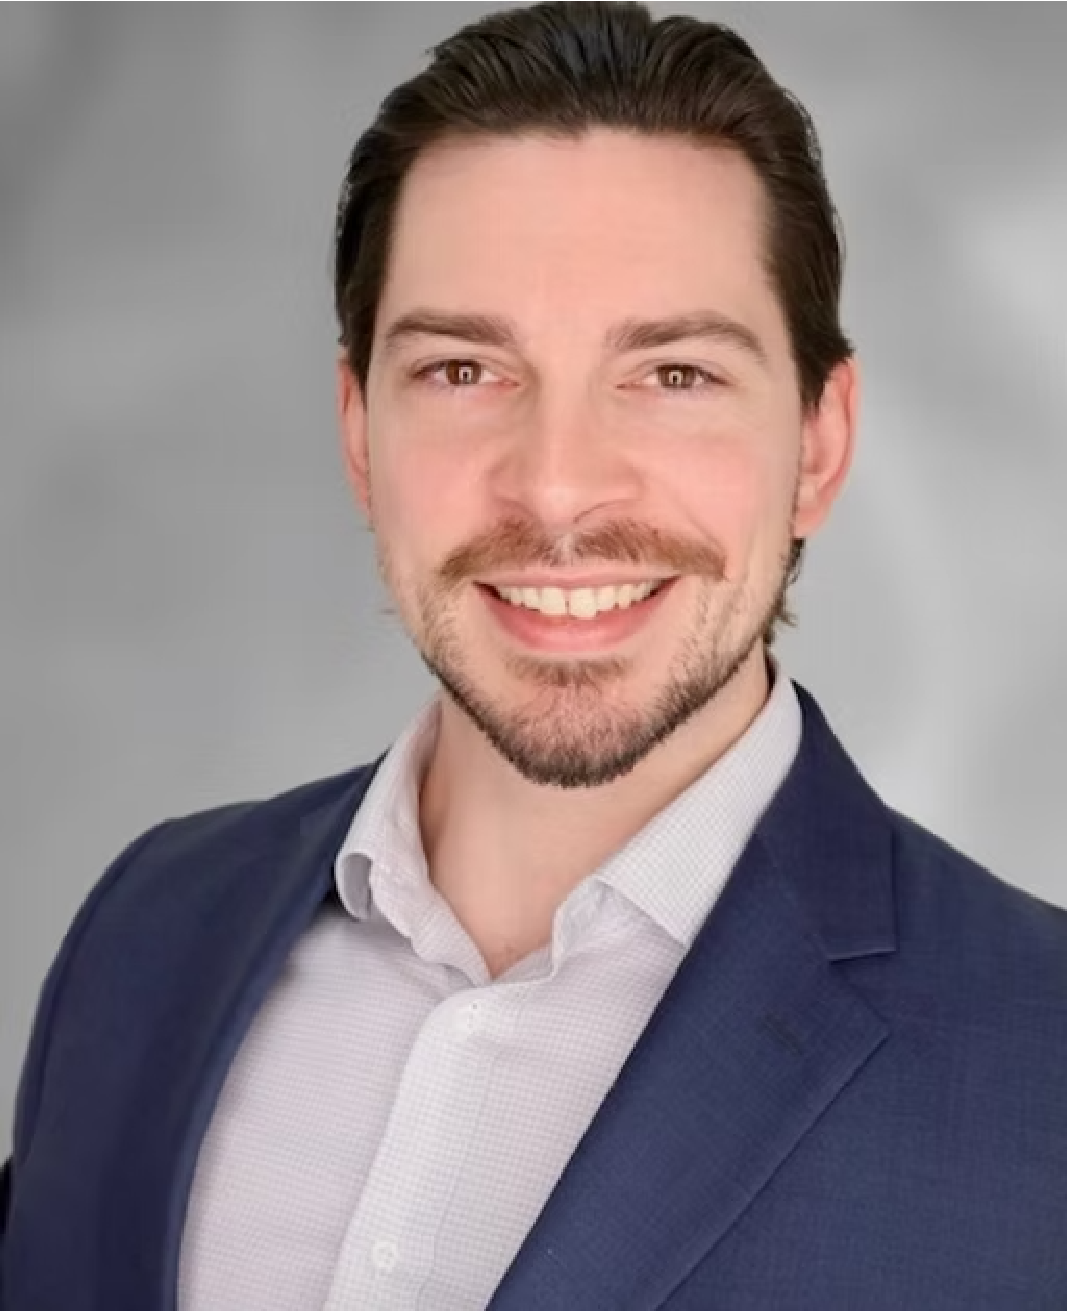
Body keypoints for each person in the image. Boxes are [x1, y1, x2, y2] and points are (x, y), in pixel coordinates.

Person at [2, 2, 1065, 1309]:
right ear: (358, 432)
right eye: (462, 371)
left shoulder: (1043, 1065)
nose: (557, 491)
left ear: (819, 444)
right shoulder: (147, 929)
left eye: (672, 375)